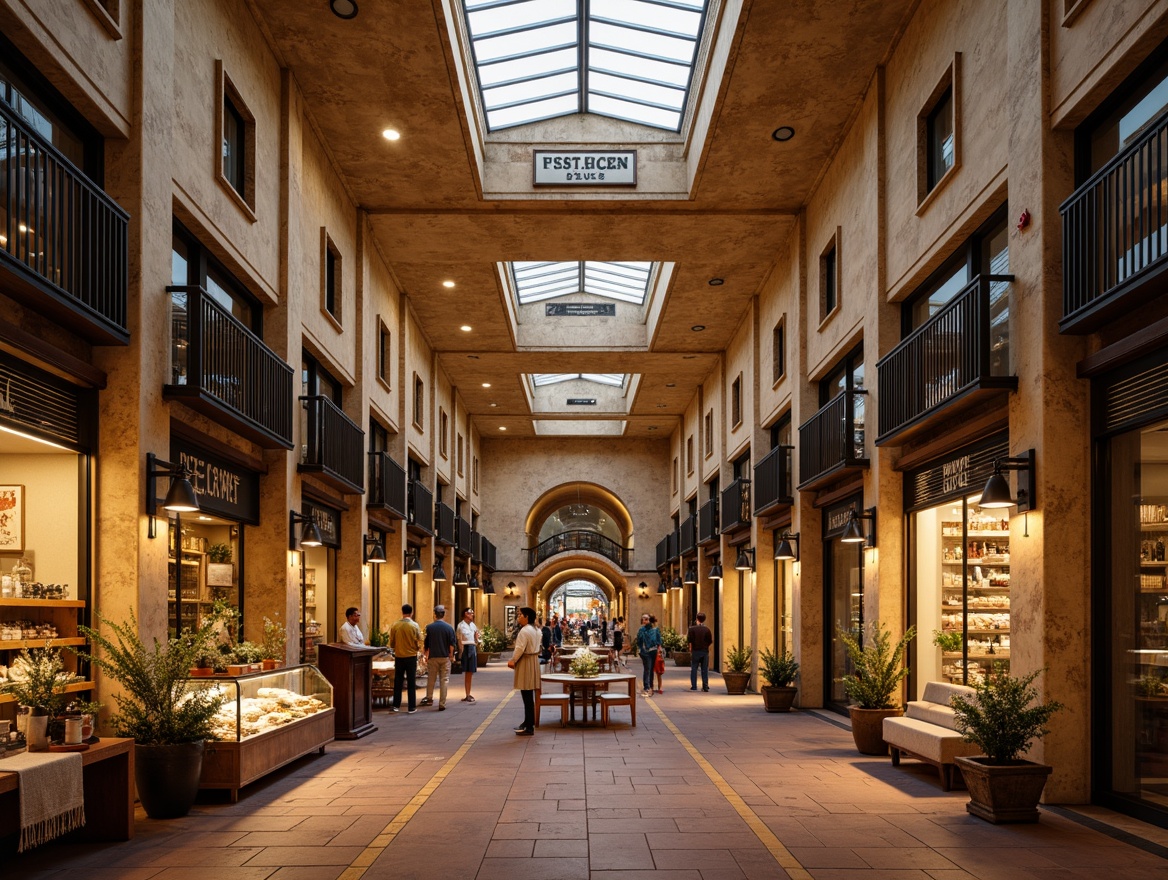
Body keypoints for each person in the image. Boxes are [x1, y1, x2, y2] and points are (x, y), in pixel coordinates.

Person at [507, 606, 541, 736]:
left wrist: (513, 660)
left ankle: (529, 726)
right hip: (534, 661)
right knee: (529, 694)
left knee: (526, 695)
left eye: (520, 615)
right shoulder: (536, 630)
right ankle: (527, 722)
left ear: (527, 617)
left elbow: (520, 648)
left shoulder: (524, 631)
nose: (518, 617)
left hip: (526, 660)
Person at [420, 605, 457, 710]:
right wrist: (451, 655)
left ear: (435, 615)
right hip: (445, 657)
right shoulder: (449, 628)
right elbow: (451, 644)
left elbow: (426, 644)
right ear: (444, 615)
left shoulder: (429, 627)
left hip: (433, 657)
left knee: (431, 679)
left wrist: (425, 655)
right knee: (444, 680)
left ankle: (429, 698)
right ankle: (442, 703)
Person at [389, 603, 422, 713]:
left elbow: (392, 643)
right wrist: (416, 649)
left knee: (398, 681)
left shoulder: (395, 625)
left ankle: (396, 705)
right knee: (411, 681)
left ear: (402, 612)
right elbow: (419, 641)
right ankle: (411, 706)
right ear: (411, 613)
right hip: (411, 657)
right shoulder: (415, 626)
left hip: (399, 656)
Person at [457, 607, 480, 703]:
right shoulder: (461, 625)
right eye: (471, 613)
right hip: (466, 648)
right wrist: (460, 653)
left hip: (472, 648)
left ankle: (468, 693)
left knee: (470, 672)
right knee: (468, 672)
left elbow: (477, 639)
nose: (472, 615)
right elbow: (459, 640)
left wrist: (477, 639)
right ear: (466, 614)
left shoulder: (473, 625)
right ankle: (467, 694)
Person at [634, 613, 662, 696]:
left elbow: (658, 640)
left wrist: (659, 649)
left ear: (650, 620)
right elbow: (639, 641)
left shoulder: (655, 630)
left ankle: (651, 685)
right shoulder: (641, 630)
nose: (644, 620)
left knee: (651, 669)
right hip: (645, 652)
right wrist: (641, 649)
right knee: (647, 668)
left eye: (646, 619)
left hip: (653, 651)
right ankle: (647, 686)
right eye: (643, 619)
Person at [688, 612, 713, 692]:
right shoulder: (707, 630)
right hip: (704, 651)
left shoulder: (692, 629)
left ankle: (694, 686)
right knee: (704, 669)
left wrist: (691, 649)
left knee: (694, 668)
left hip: (695, 651)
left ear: (697, 618)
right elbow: (710, 641)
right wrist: (706, 646)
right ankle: (705, 686)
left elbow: (690, 641)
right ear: (704, 619)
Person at [650, 615, 665, 694]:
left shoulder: (646, 630)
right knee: (658, 672)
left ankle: (650, 687)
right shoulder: (656, 630)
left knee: (650, 670)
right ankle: (660, 688)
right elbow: (659, 641)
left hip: (649, 651)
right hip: (656, 651)